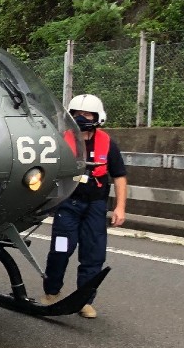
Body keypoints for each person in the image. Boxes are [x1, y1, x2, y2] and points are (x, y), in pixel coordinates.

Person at [43, 93, 128, 318]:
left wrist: (120, 207)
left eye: (87, 114)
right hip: (67, 206)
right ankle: (51, 292)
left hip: (95, 207)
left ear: (98, 116)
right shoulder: (61, 140)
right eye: (76, 114)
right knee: (60, 250)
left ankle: (84, 301)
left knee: (93, 255)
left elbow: (119, 176)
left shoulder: (108, 144)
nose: (81, 117)